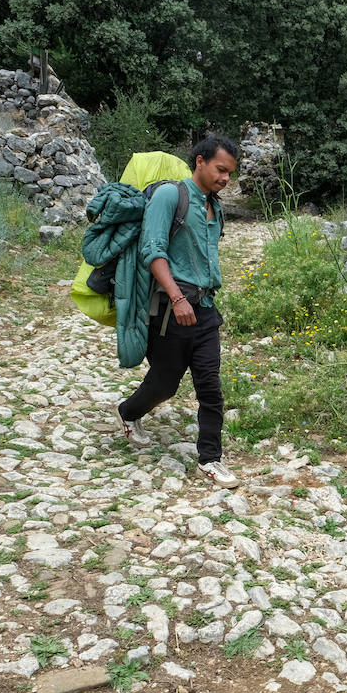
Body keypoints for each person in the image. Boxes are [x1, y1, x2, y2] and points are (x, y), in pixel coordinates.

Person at [116, 137, 240, 488]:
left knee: (210, 388)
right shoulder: (171, 196)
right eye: (221, 170)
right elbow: (152, 250)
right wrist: (176, 297)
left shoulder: (215, 206)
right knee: (165, 383)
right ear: (199, 161)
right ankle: (128, 412)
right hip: (171, 311)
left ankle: (210, 459)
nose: (225, 179)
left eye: (230, 173)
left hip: (205, 309)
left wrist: (199, 298)